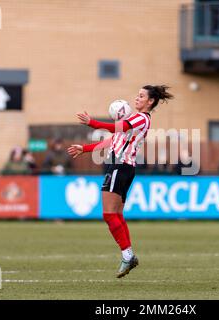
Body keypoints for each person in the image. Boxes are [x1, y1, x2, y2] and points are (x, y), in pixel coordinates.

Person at [68, 85, 173, 278]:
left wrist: (92, 122)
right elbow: (112, 140)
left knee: (109, 214)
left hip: (120, 166)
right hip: (124, 167)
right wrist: (86, 148)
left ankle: (128, 255)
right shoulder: (135, 119)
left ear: (150, 102)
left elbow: (118, 128)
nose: (137, 98)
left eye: (141, 96)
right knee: (116, 214)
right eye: (137, 95)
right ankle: (128, 255)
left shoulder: (140, 118)